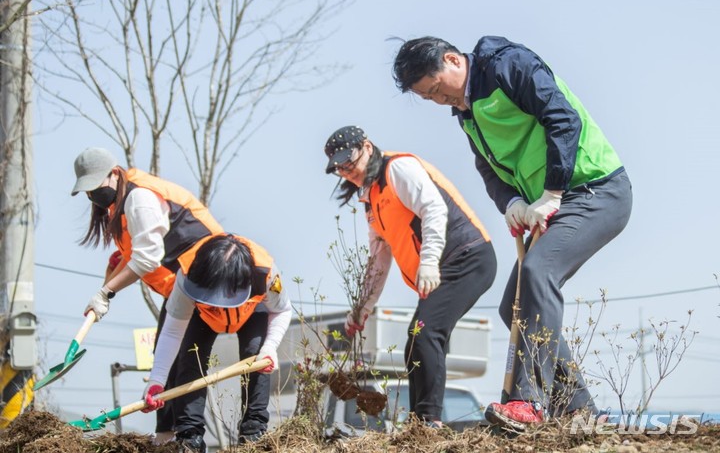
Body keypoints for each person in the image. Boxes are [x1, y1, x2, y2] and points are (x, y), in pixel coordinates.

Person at [392, 36, 633, 430]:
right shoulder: (467, 114)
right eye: (428, 98)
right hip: (553, 202)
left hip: (595, 188)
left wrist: (553, 191)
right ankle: (577, 408)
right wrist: (511, 203)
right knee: (514, 306)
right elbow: (487, 169)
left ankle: (528, 404)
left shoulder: (507, 66)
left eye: (437, 89)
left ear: (453, 60)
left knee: (537, 274)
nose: (439, 101)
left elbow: (562, 117)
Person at [324, 126, 496, 427]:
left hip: (466, 257)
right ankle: (419, 423)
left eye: (349, 162)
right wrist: (363, 307)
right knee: (414, 343)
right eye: (340, 168)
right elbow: (379, 256)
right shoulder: (372, 197)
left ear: (366, 147)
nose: (347, 171)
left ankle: (430, 422)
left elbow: (434, 209)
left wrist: (429, 262)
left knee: (428, 334)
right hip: (445, 267)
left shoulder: (397, 169)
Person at [71, 146, 225, 444]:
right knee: (165, 361)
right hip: (184, 283)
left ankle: (188, 441)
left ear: (115, 174)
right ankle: (165, 438)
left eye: (95, 188)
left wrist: (107, 292)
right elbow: (132, 255)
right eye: (87, 192)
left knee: (185, 361)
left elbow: (147, 259)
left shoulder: (139, 197)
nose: (93, 197)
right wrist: (106, 287)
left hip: (208, 275)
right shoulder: (121, 203)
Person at [140, 233, 291, 452]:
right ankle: (189, 436)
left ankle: (254, 433)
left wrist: (270, 347)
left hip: (250, 311)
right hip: (202, 316)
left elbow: (282, 310)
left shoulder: (265, 273)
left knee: (255, 355)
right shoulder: (187, 273)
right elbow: (172, 331)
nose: (219, 304)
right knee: (191, 357)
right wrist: (157, 379)